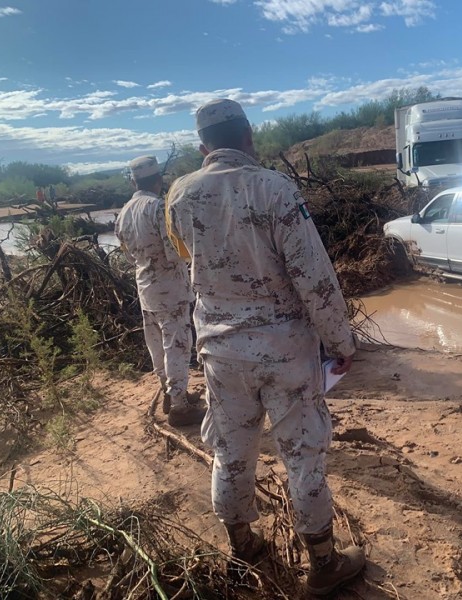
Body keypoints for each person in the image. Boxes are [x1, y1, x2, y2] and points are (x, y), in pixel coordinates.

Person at [166, 99, 365, 596]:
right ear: (250, 136)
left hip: (219, 350)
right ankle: (323, 563)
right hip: (285, 351)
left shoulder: (178, 197)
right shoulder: (275, 189)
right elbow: (314, 278)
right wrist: (341, 341)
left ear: (202, 148)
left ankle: (243, 546)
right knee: (303, 454)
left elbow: (189, 261)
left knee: (230, 452)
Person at [115, 155, 200, 427]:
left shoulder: (124, 213)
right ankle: (179, 407)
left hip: (144, 286)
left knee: (156, 345)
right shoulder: (157, 209)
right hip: (169, 287)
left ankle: (169, 391)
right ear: (158, 179)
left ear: (133, 181)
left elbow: (128, 255)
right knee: (177, 345)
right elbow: (175, 252)